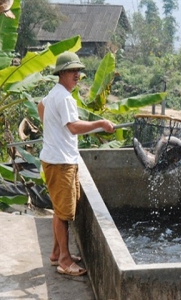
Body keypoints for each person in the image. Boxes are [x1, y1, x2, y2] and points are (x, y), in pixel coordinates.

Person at [38, 51, 115, 276]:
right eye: (73, 71)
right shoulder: (65, 98)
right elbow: (73, 127)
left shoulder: (54, 95)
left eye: (78, 71)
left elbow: (41, 107)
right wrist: (100, 123)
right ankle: (64, 260)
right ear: (61, 73)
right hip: (60, 161)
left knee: (60, 208)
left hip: (56, 158)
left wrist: (51, 130)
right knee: (64, 213)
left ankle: (56, 253)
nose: (77, 75)